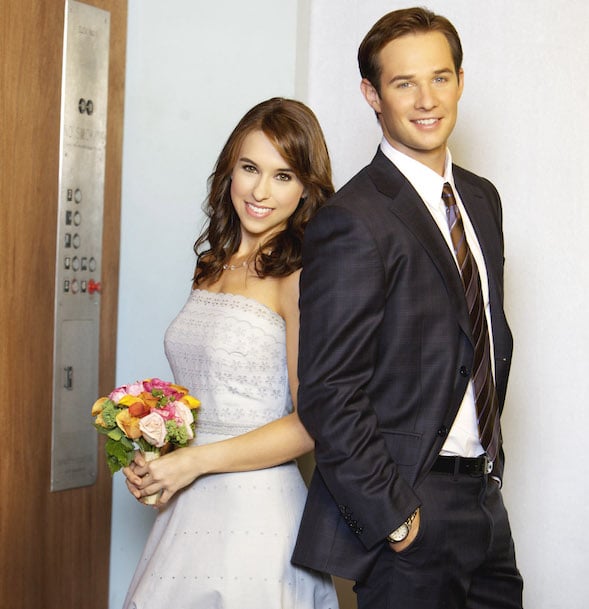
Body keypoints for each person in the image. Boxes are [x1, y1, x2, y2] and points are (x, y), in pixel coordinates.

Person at [292, 7, 524, 609]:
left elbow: (484, 333)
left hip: (485, 502)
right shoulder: (353, 218)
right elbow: (328, 389)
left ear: (460, 80)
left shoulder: (480, 198)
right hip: (412, 509)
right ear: (372, 94)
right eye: (403, 83)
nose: (427, 99)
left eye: (440, 77)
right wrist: (394, 515)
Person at [121, 97, 339, 609]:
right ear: (230, 170)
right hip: (185, 505)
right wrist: (160, 457)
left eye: (284, 176)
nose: (261, 192)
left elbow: (312, 423)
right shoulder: (210, 265)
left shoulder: (300, 277)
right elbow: (204, 391)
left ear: (307, 188)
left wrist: (194, 463)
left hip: (256, 517)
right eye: (250, 168)